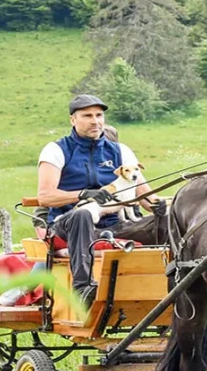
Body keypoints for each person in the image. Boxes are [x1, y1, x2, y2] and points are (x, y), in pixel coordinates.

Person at [37, 94, 158, 302]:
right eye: (87, 116)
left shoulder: (121, 151)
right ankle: (83, 288)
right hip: (67, 224)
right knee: (82, 214)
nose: (95, 121)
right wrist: (83, 194)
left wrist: (161, 207)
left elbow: (145, 196)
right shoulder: (56, 150)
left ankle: (181, 288)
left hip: (114, 226)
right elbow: (45, 197)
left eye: (99, 115)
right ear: (73, 120)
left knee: (167, 221)